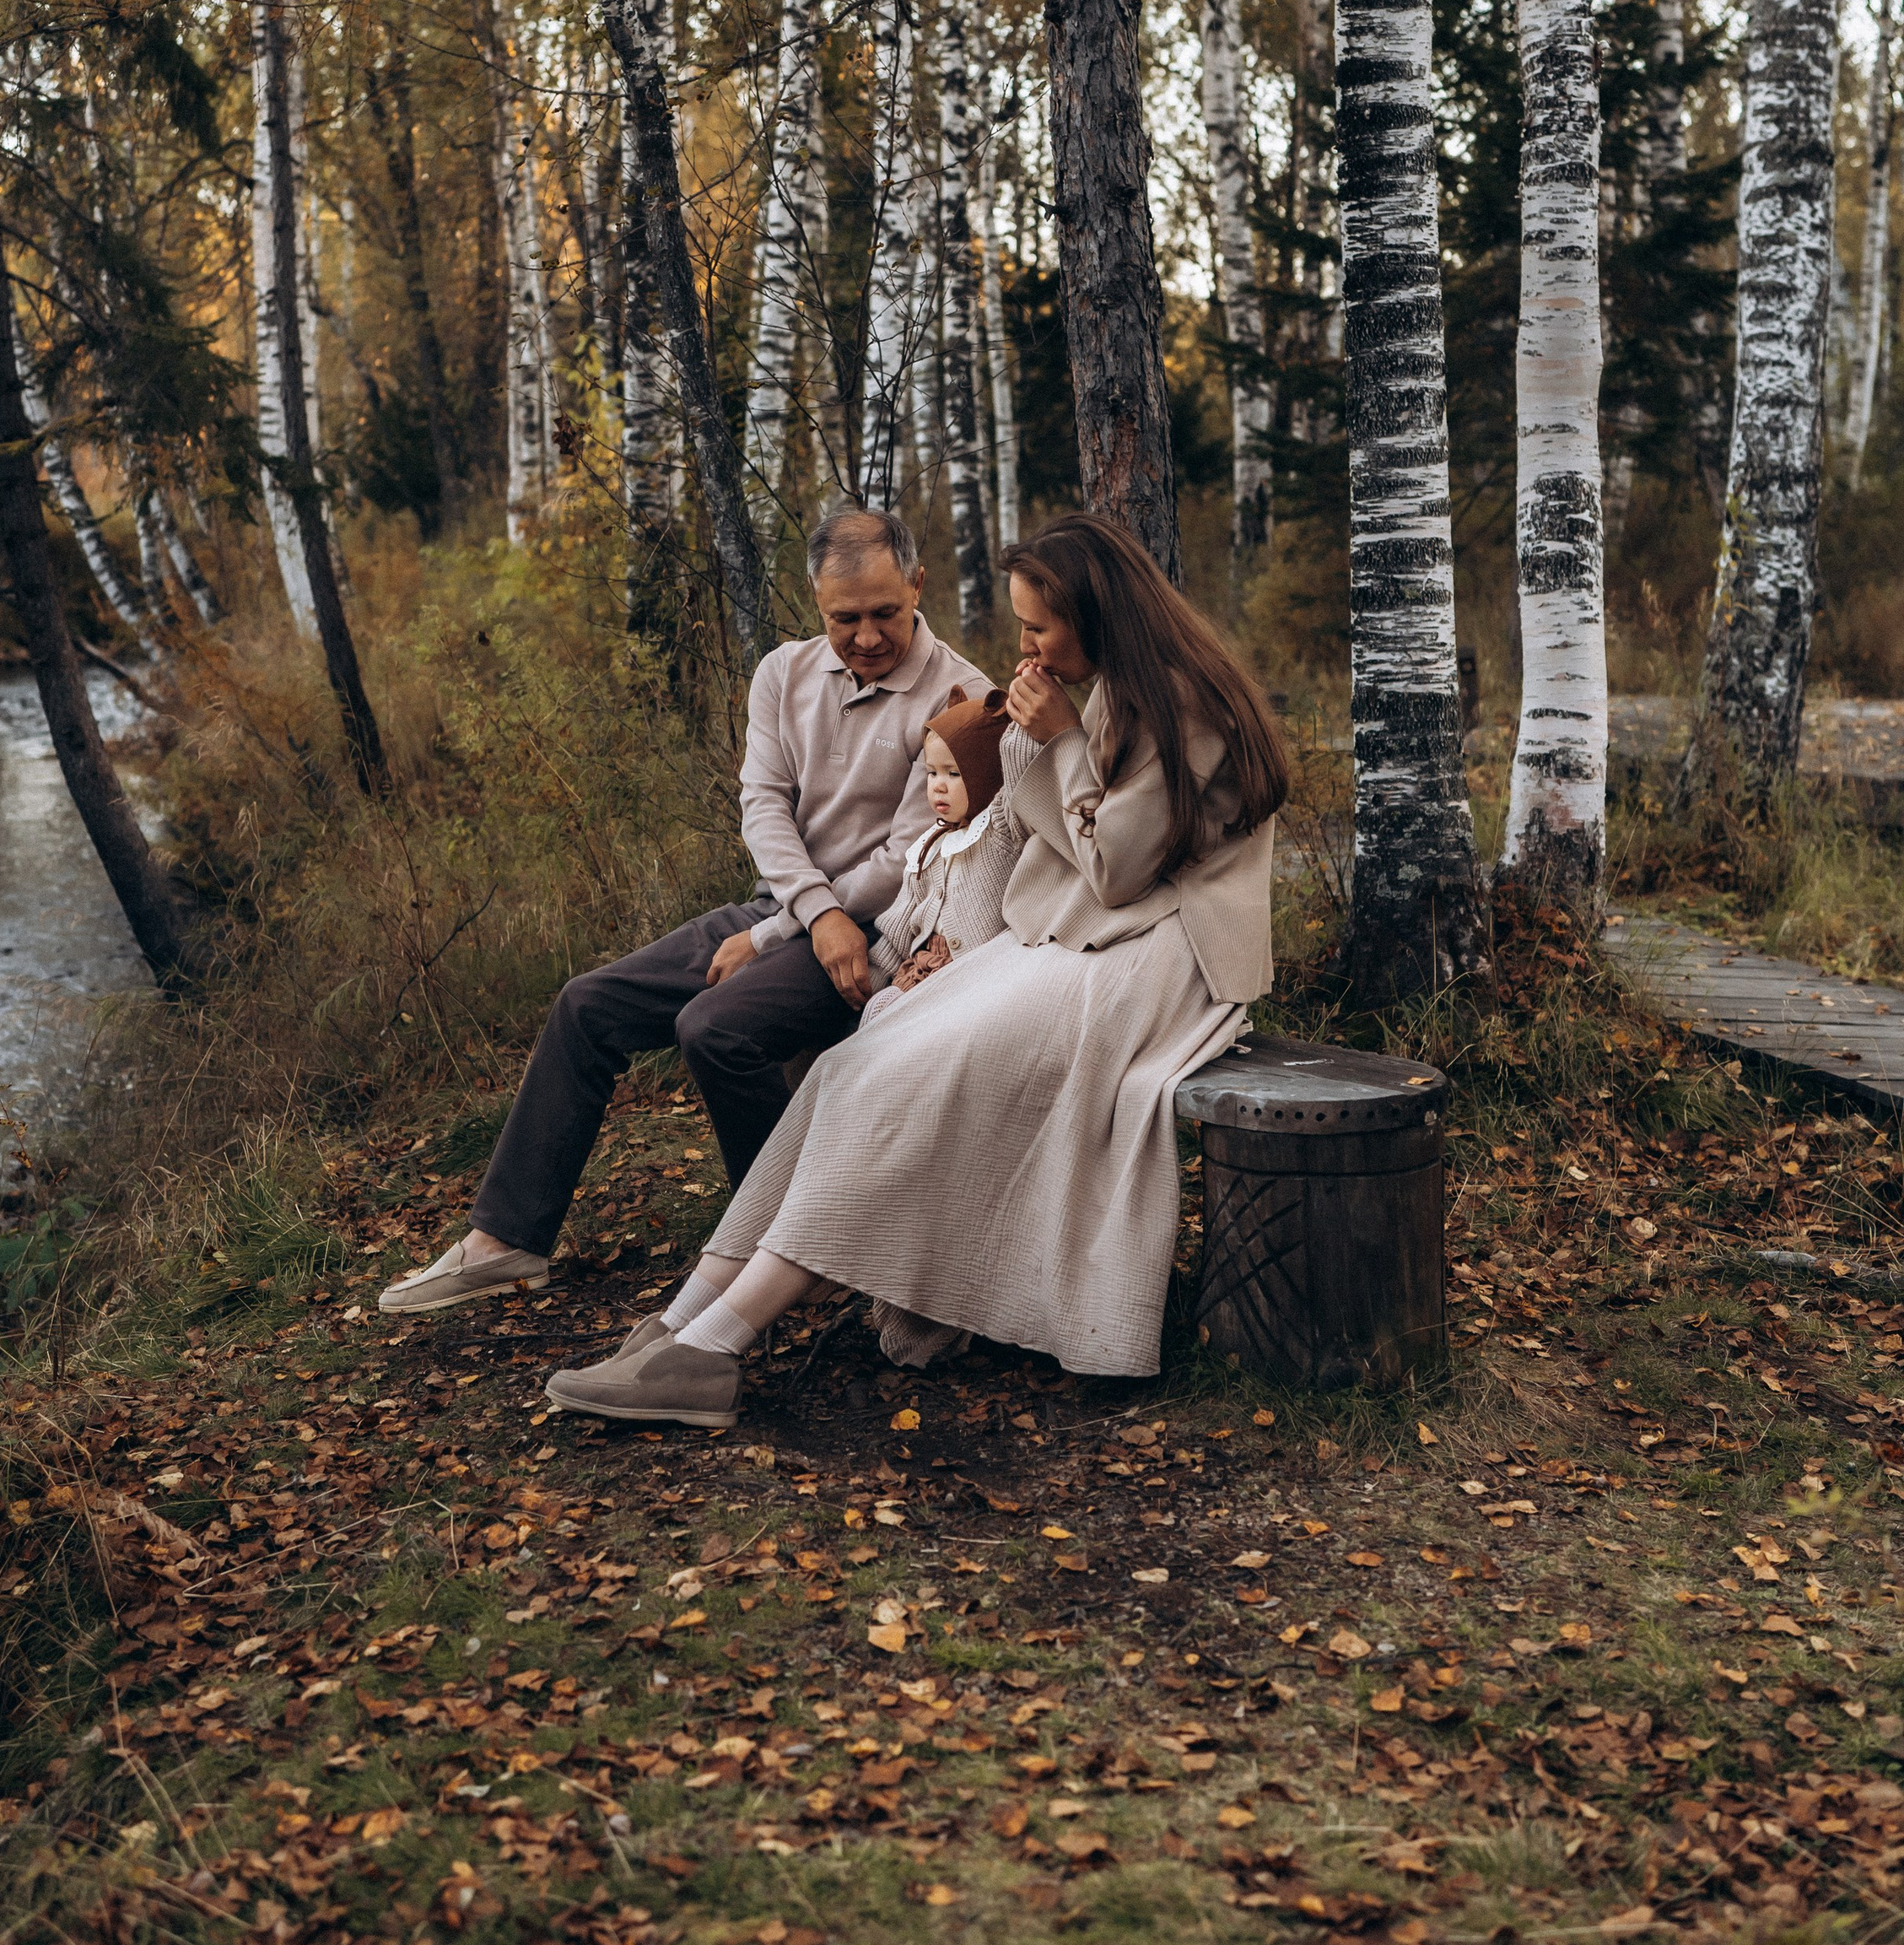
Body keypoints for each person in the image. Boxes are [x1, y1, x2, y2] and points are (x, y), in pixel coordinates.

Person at [543, 513, 1291, 1428]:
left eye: (1037, 628)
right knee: (855, 1064)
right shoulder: (1106, 691)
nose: (1024, 647)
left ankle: (715, 1349)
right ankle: (682, 1323)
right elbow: (1045, 844)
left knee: (910, 1081)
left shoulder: (1187, 705)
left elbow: (1117, 866)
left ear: (1098, 617)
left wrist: (1053, 744)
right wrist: (1038, 750)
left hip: (1156, 962)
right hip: (1073, 941)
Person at [376, 505, 992, 1316]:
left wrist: (785, 929)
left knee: (716, 1030)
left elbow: (906, 860)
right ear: (815, 600)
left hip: (882, 931)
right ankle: (507, 1241)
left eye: (887, 612)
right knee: (588, 1004)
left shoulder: (961, 696)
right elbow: (763, 805)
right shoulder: (783, 674)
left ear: (918, 585)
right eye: (846, 618)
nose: (869, 636)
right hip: (795, 914)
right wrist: (794, 917)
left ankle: (779, 1246)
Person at [863, 690, 1022, 1004]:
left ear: (987, 774)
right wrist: (873, 977)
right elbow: (900, 922)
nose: (938, 784)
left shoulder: (1001, 827)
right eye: (932, 772)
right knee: (880, 1010)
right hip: (923, 967)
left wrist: (1019, 713)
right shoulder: (929, 846)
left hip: (977, 973)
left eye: (954, 773)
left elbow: (1018, 766)